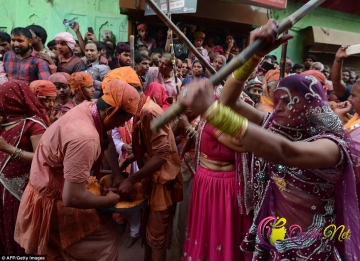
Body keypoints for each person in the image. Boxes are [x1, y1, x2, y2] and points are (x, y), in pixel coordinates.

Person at [177, 20, 360, 260]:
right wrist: (252, 56)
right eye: (277, 100)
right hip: (277, 237)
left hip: (314, 247)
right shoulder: (283, 126)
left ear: (310, 107)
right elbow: (230, 103)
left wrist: (211, 112)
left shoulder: (332, 146)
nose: (278, 108)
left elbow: (285, 152)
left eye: (288, 102)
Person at [15, 79, 140, 260]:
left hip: (48, 188)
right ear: (111, 111)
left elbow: (106, 139)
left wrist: (117, 174)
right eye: (122, 120)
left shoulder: (91, 108)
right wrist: (107, 201)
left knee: (56, 253)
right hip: (54, 200)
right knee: (105, 237)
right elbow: (72, 197)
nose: (121, 126)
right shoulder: (85, 138)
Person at [116, 67, 182, 261]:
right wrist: (133, 157)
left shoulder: (148, 112)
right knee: (149, 230)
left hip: (162, 182)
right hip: (154, 178)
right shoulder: (141, 109)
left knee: (156, 238)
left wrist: (133, 178)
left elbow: (162, 153)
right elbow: (153, 148)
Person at [0, 81, 48, 255]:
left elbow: (42, 159)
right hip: (3, 189)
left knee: (20, 236)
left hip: (23, 192)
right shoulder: (3, 122)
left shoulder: (33, 124)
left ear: (14, 99)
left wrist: (9, 149)